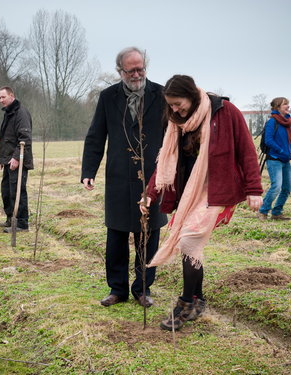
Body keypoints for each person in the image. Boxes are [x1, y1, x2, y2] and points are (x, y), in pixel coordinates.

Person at [140, 75, 262, 331]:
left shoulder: (225, 112)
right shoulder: (176, 122)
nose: (174, 109)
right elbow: (166, 159)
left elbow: (246, 150)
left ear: (193, 96)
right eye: (170, 105)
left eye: (178, 103)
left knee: (189, 240)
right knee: (190, 246)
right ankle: (198, 300)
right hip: (190, 192)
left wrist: (254, 189)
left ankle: (185, 304)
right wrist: (150, 192)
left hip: (218, 189)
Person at [81, 47, 168, 308]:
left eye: (141, 68)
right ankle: (117, 289)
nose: (137, 74)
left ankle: (142, 289)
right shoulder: (108, 97)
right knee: (116, 236)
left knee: (149, 235)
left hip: (153, 178)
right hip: (118, 177)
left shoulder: (162, 94)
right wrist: (88, 171)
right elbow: (96, 135)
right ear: (120, 71)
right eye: (131, 70)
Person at [0, 86, 33, 233]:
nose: (1, 100)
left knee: (17, 191)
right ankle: (11, 219)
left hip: (19, 160)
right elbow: (6, 139)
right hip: (8, 161)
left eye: (3, 97)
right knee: (6, 190)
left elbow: (25, 138)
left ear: (12, 96)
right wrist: (1, 160)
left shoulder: (20, 114)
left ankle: (22, 224)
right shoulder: (8, 113)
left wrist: (17, 158)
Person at [256, 97, 291, 221]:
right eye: (285, 104)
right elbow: (268, 140)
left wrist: (290, 152)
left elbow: (288, 140)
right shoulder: (272, 121)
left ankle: (277, 212)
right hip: (274, 159)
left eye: (288, 104)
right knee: (276, 187)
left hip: (285, 160)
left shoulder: (287, 122)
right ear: (277, 107)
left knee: (287, 188)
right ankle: (263, 211)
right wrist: (281, 151)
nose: (288, 106)